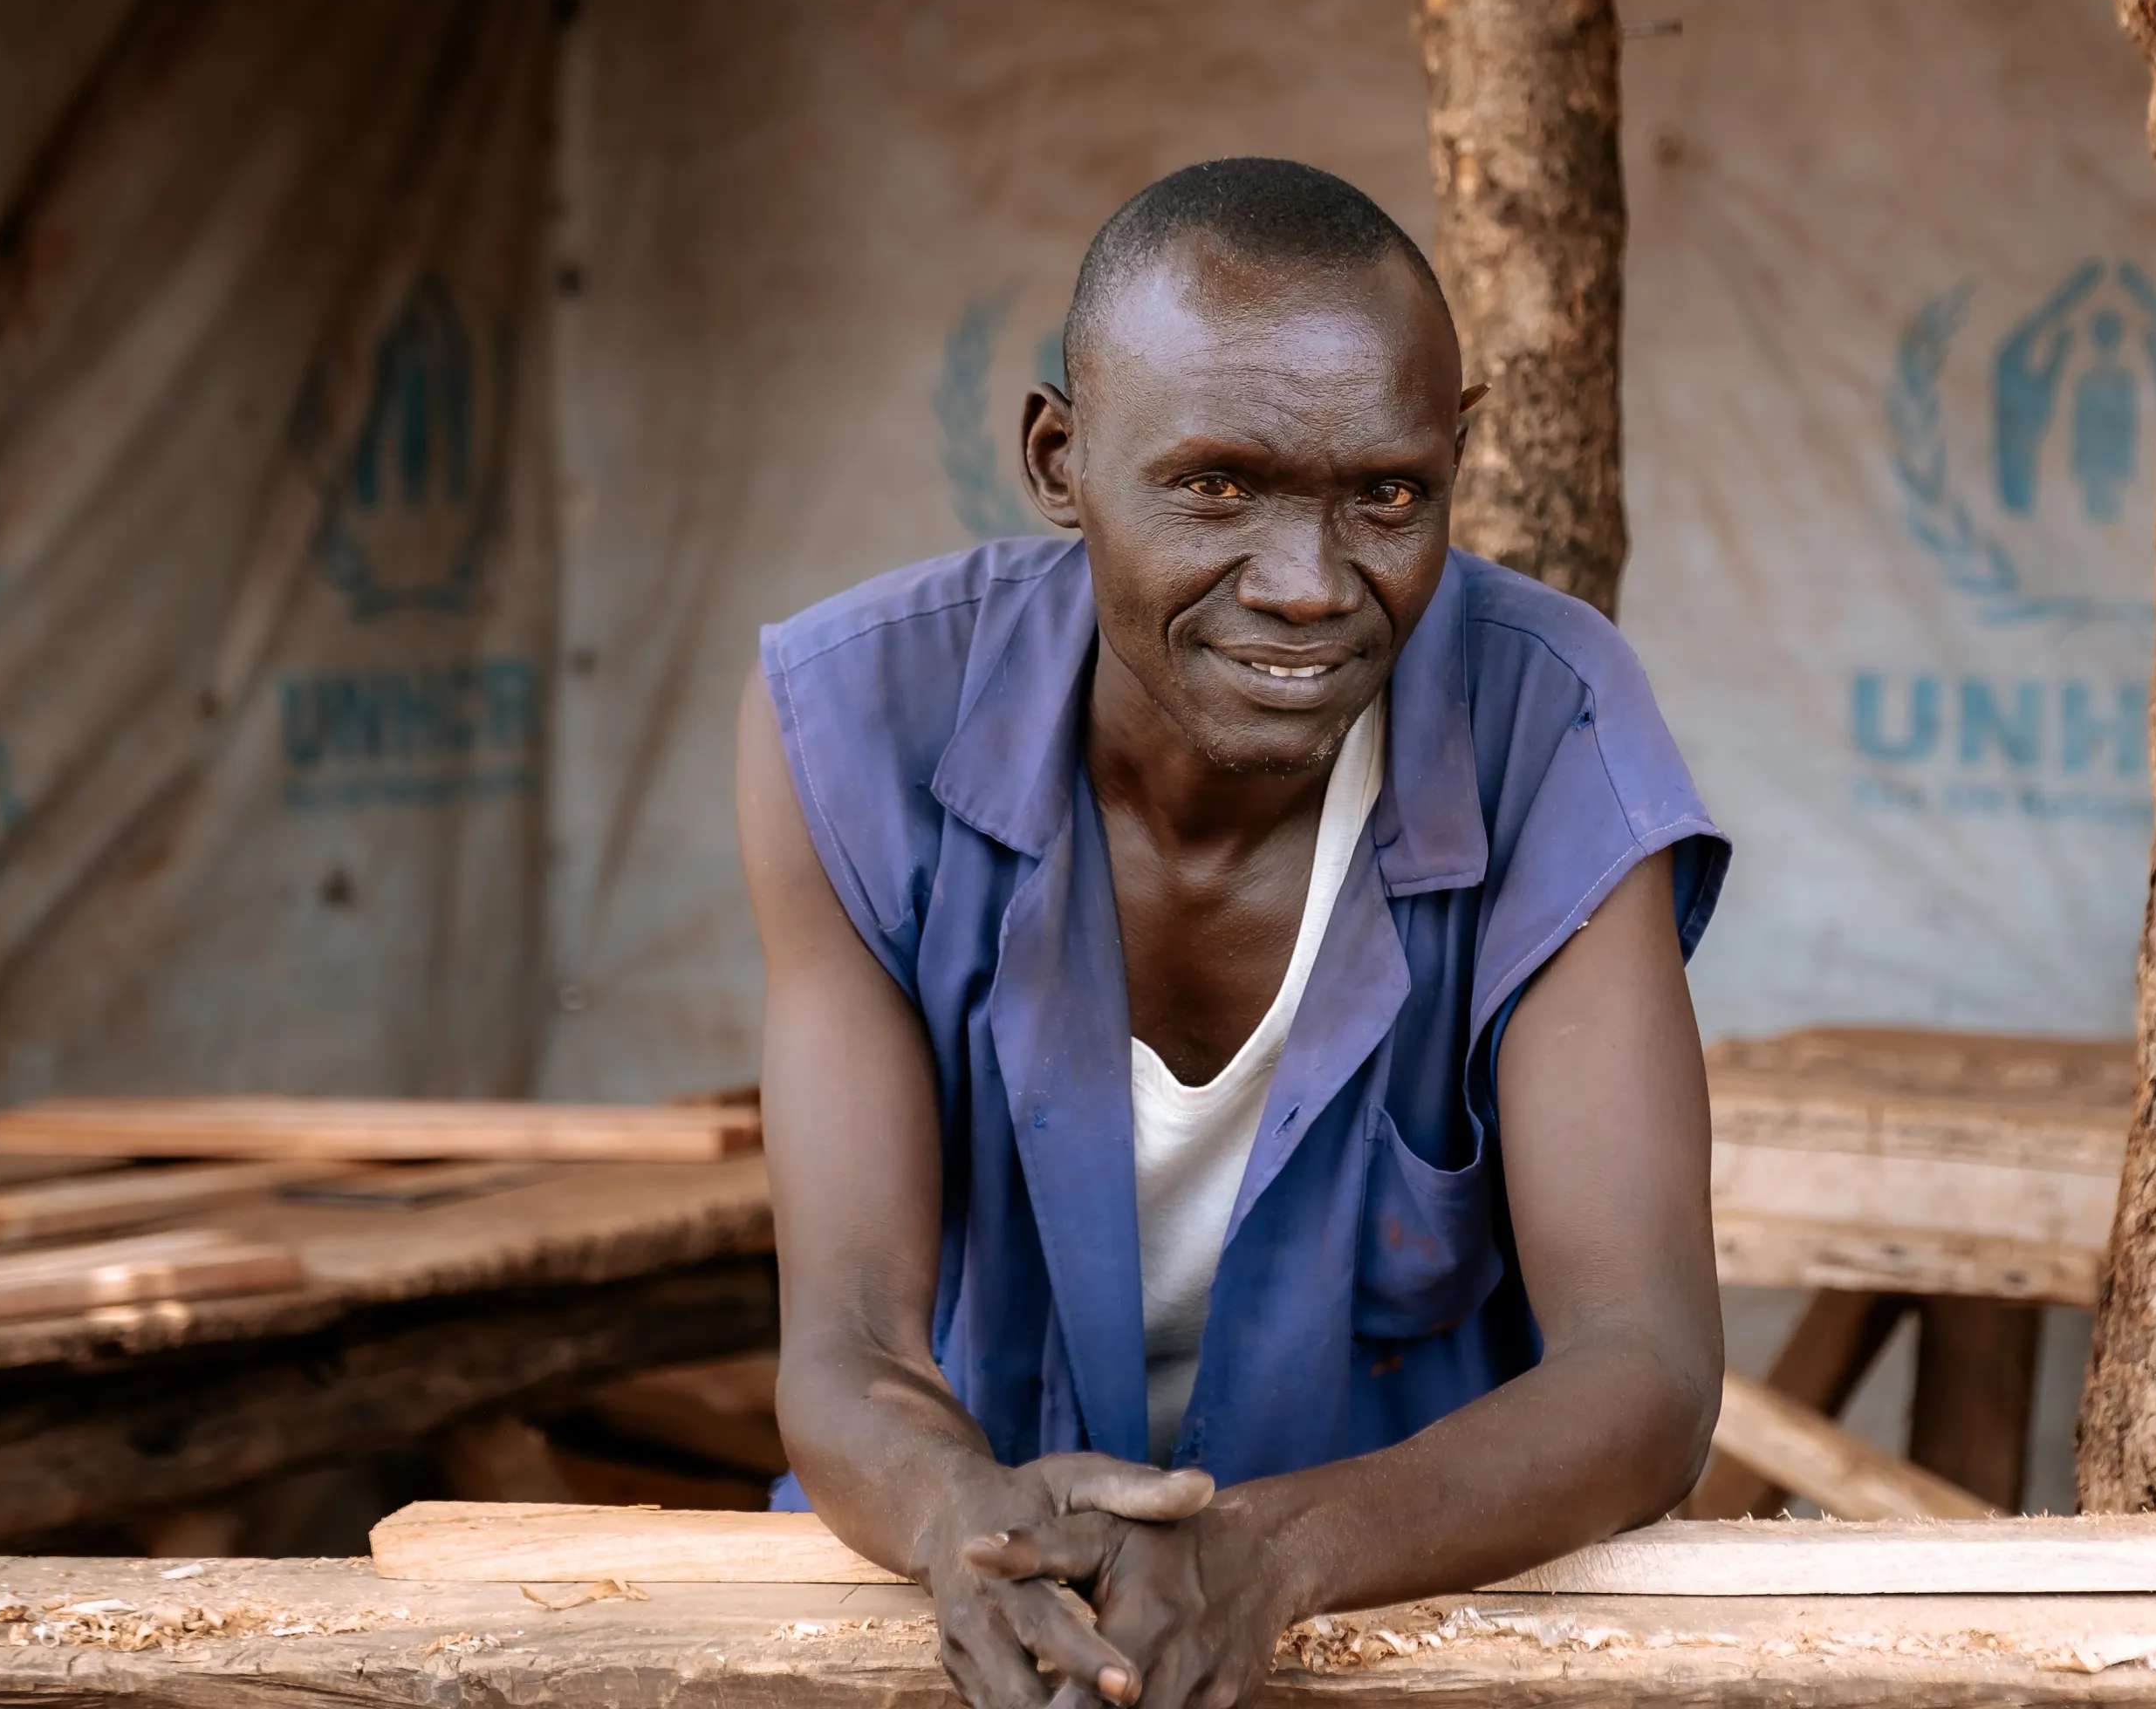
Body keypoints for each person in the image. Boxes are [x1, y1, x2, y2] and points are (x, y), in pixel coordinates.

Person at [736, 157, 1728, 1709]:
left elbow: (1648, 1375)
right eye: (1216, 487)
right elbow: (850, 1342)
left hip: (1403, 1621)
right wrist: (963, 1523)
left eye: (1386, 496)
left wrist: (1267, 1559)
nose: (1308, 587)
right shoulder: (857, 724)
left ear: (1455, 457)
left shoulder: (1557, 730)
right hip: (968, 1617)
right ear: (1060, 460)